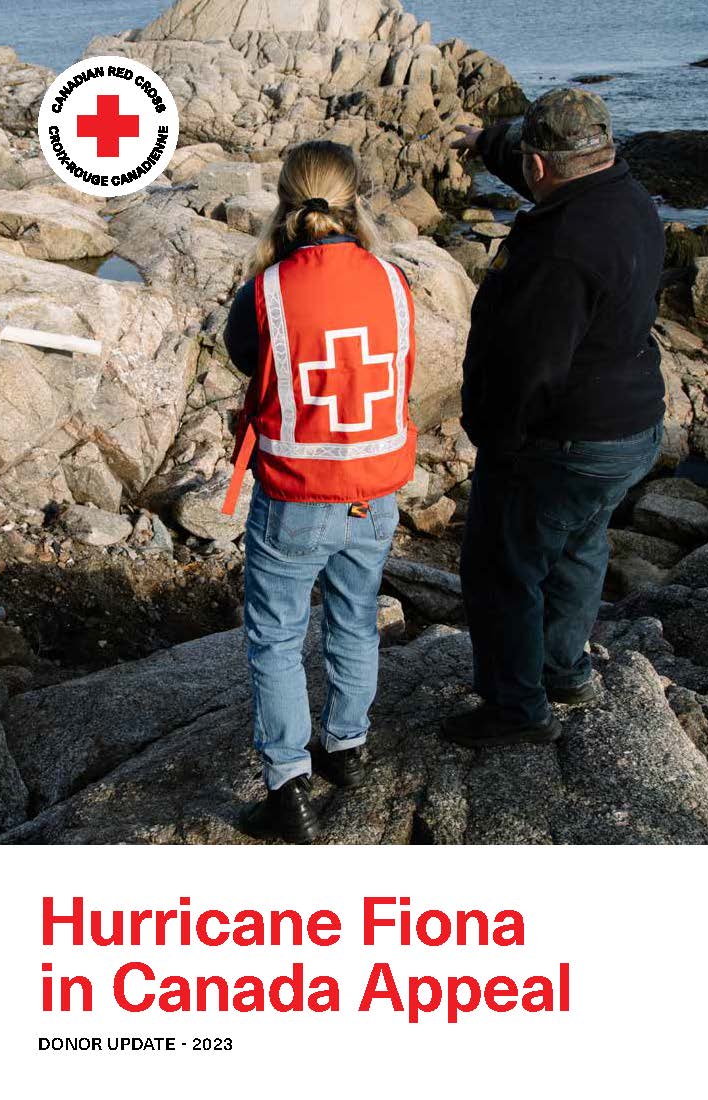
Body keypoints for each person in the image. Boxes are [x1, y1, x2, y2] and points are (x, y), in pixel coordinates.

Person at [442, 88, 666, 750]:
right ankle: (565, 672)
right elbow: (543, 174)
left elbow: (526, 366)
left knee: (501, 567)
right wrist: (483, 142)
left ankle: (517, 709)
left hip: (567, 438)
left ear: (540, 168)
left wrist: (496, 440)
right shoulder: (624, 196)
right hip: (631, 427)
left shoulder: (560, 247)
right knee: (578, 545)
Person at [221, 140, 417, 842]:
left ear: (284, 200)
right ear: (355, 197)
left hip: (297, 494)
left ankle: (286, 785)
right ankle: (347, 748)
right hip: (373, 492)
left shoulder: (268, 290)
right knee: (356, 617)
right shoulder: (393, 281)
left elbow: (244, 354)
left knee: (276, 637)